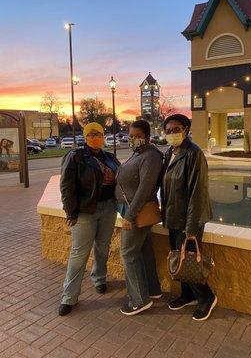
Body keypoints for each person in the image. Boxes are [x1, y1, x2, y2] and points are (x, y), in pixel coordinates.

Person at [59, 122, 119, 316]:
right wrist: (71, 212)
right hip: (85, 211)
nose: (95, 137)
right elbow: (67, 187)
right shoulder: (75, 156)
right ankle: (69, 297)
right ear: (85, 136)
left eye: (99, 134)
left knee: (103, 247)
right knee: (79, 253)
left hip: (108, 208)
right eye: (91, 134)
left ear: (103, 136)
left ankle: (99, 278)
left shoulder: (110, 157)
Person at [161, 114, 217, 321]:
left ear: (186, 129)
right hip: (173, 216)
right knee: (179, 256)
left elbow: (198, 192)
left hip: (188, 219)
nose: (171, 134)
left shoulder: (194, 154)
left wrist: (191, 226)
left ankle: (206, 298)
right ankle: (187, 294)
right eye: (168, 130)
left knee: (191, 258)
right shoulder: (169, 153)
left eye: (176, 129)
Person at [115, 120, 163, 316]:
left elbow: (144, 189)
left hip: (136, 212)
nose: (132, 138)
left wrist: (130, 215)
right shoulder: (139, 153)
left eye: (136, 135)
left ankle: (138, 300)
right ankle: (152, 290)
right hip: (131, 210)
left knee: (128, 253)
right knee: (144, 251)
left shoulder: (151, 156)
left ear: (147, 136)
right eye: (130, 134)